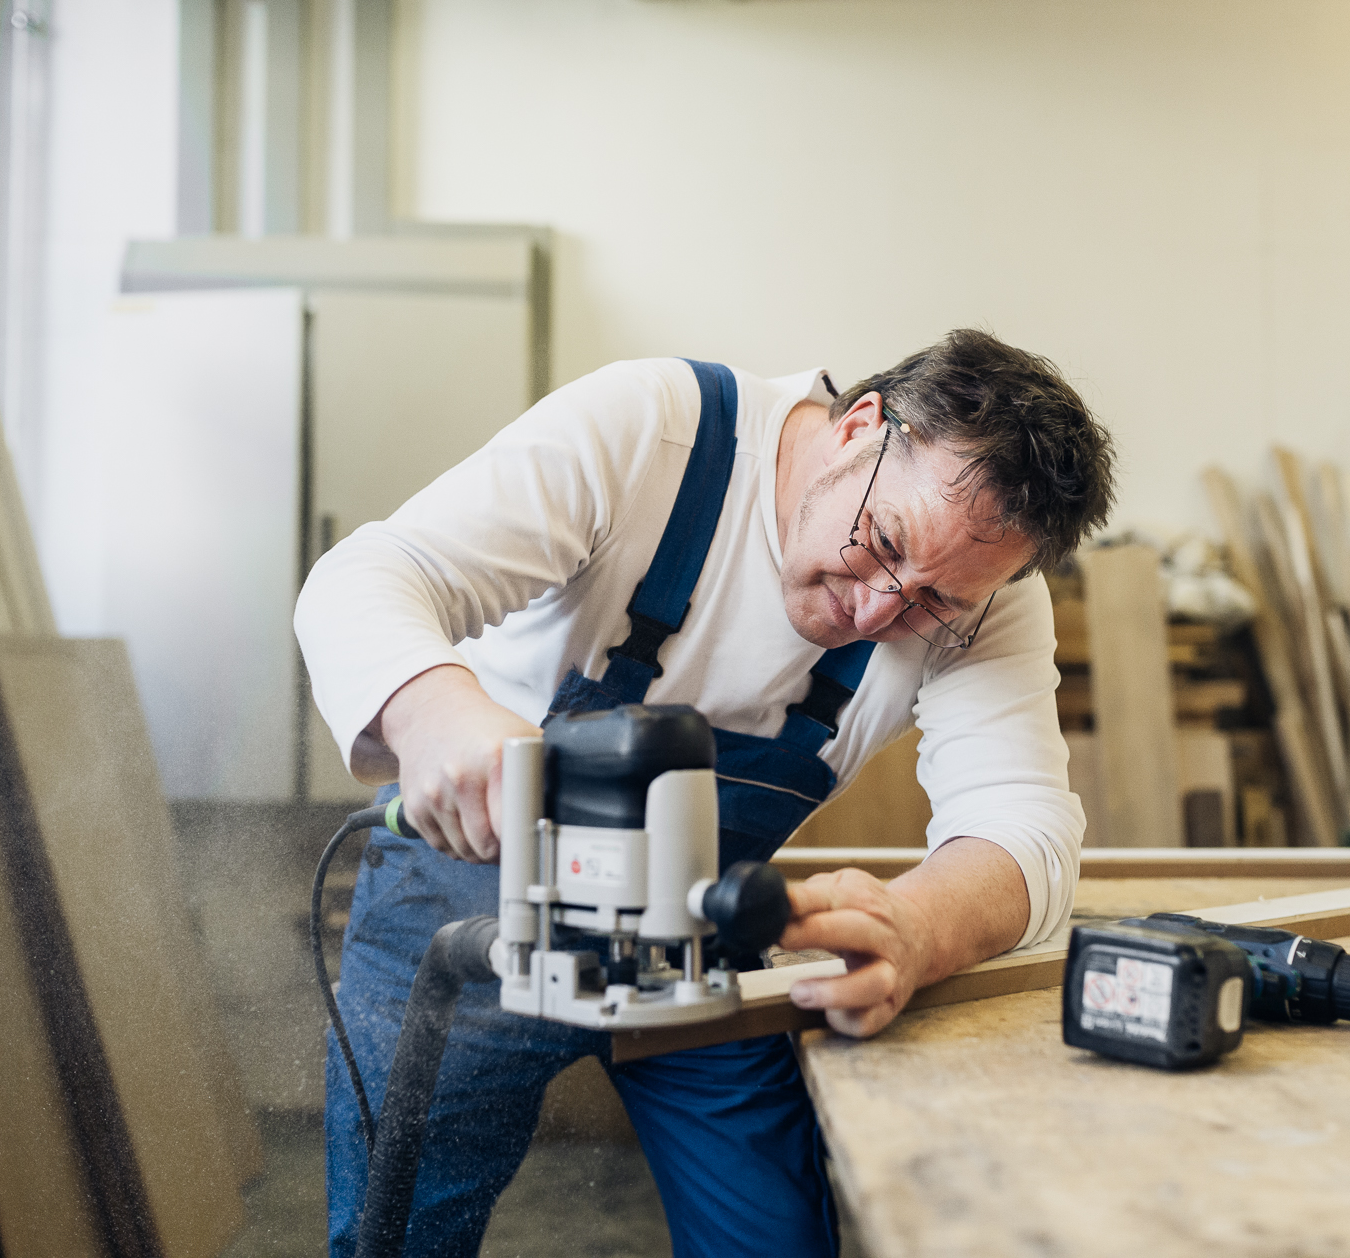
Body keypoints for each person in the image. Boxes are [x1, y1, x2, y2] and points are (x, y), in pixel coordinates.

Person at [294, 328, 1116, 1257]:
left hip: (700, 928)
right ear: (859, 426)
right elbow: (368, 575)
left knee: (770, 1236)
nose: (880, 611)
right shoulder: (652, 432)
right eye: (884, 542)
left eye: (933, 603)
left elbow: (1026, 824)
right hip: (470, 896)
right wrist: (435, 710)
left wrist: (919, 926)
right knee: (398, 1233)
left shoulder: (987, 591)